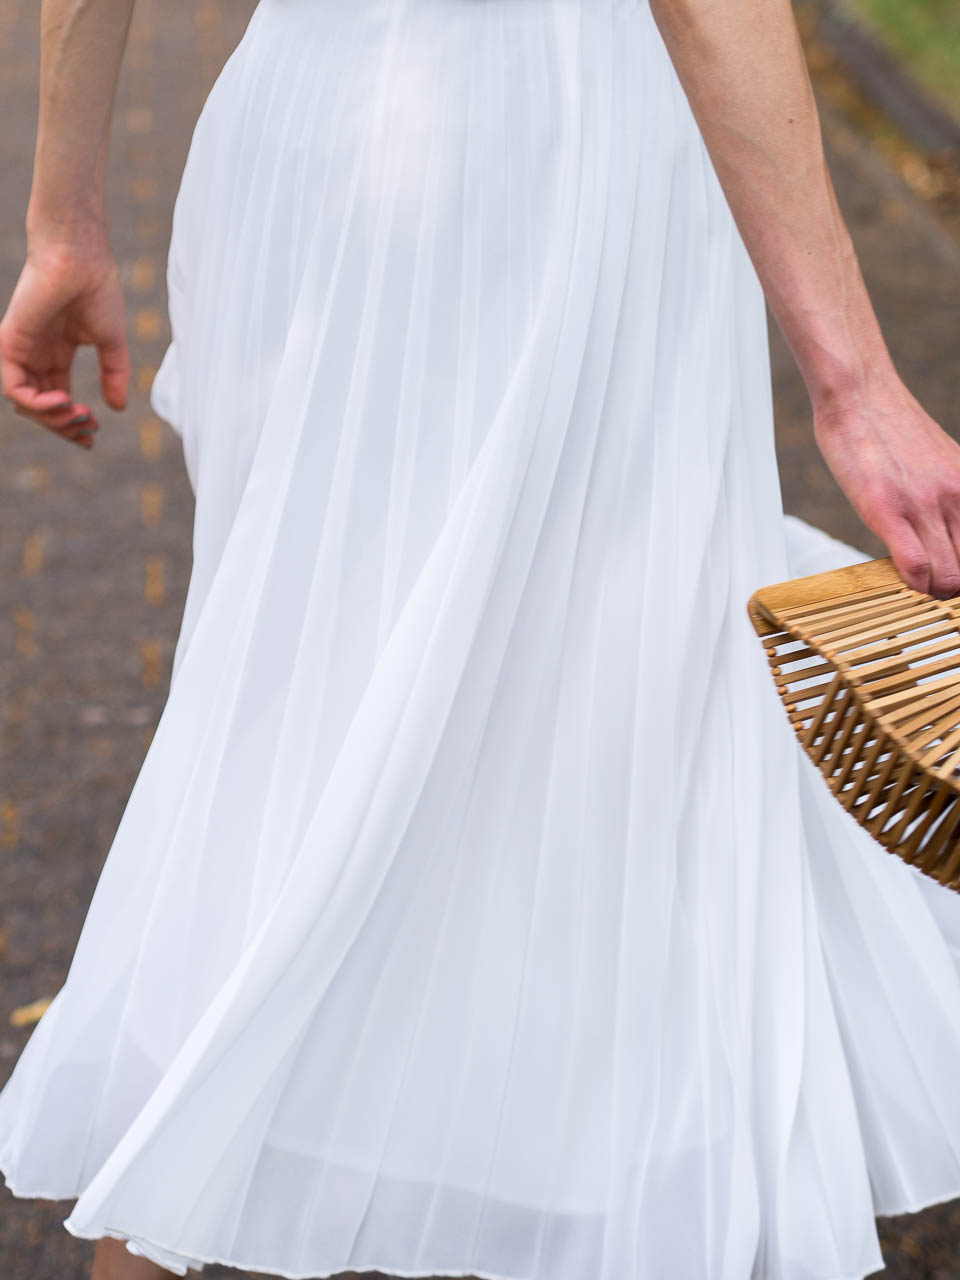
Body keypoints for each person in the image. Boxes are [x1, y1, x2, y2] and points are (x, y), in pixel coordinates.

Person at [3, 0, 960, 1278]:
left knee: (306, 738)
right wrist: (851, 378)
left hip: (311, 138)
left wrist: (63, 213)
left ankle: (235, 1162)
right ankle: (573, 1174)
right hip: (560, 152)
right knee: (608, 747)